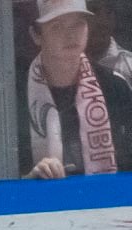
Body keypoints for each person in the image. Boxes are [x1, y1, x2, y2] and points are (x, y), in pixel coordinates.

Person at [27, 0, 132, 177]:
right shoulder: (10, 98)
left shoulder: (116, 88)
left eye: (78, 23)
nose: (71, 35)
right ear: (36, 35)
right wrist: (27, 181)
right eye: (57, 26)